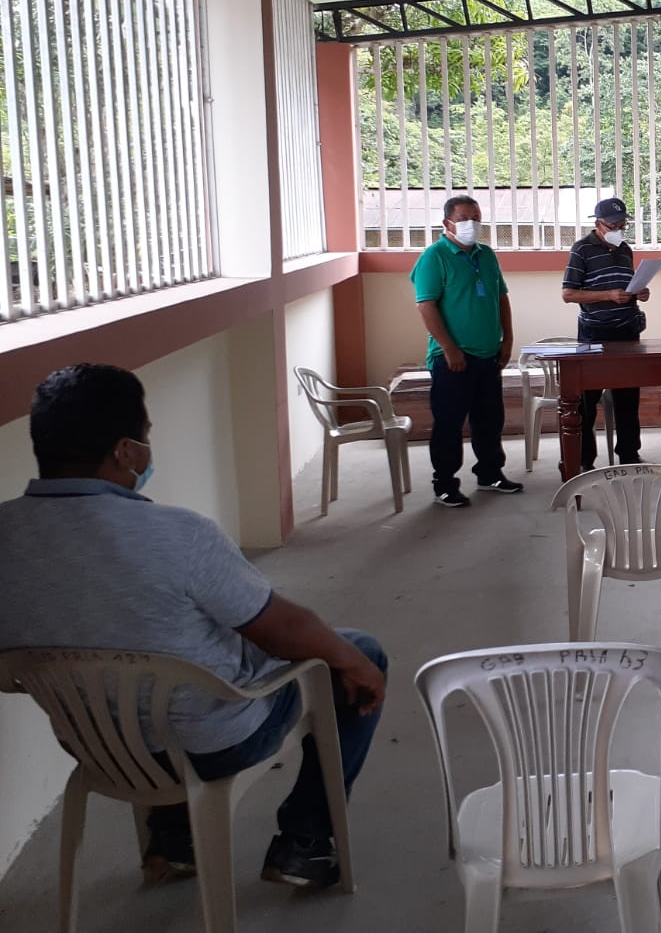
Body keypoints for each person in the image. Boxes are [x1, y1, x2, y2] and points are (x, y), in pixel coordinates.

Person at [0, 365, 387, 890]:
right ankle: (305, 842)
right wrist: (354, 661)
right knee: (357, 650)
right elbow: (283, 629)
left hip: (97, 745)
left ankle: (175, 839)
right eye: (146, 434)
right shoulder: (178, 534)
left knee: (148, 673)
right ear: (125, 451)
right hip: (213, 744)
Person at [412, 194, 523, 507]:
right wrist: (449, 348)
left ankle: (490, 473)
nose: (470, 225)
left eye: (476, 219)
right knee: (449, 422)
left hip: (489, 354)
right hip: (453, 358)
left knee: (490, 419)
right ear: (447, 223)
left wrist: (507, 340)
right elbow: (426, 305)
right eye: (463, 219)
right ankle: (445, 484)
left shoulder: (486, 255)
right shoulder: (434, 257)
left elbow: (501, 297)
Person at [562, 197, 651, 470]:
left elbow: (628, 286)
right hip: (594, 332)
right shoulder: (582, 249)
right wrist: (607, 295)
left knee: (628, 396)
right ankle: (584, 460)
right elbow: (569, 294)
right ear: (598, 224)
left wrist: (640, 292)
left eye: (622, 224)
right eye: (613, 225)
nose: (618, 229)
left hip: (627, 330)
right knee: (587, 399)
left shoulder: (625, 249)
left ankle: (629, 453)